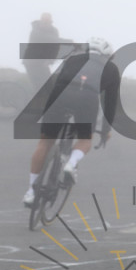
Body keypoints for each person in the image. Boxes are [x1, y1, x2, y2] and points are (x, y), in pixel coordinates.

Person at [23, 38, 119, 207]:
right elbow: (110, 103)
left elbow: (55, 82)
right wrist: (105, 130)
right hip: (87, 99)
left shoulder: (73, 59)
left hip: (60, 95)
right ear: (106, 54)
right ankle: (71, 163)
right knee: (85, 139)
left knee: (45, 142)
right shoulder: (111, 68)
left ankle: (30, 192)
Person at [24, 13, 62, 90]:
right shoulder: (35, 31)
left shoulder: (54, 31)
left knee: (49, 86)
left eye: (47, 21)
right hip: (31, 62)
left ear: (50, 21)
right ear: (41, 20)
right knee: (39, 86)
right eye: (44, 20)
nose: (45, 22)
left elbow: (55, 47)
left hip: (43, 62)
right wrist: (69, 41)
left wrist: (50, 60)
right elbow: (47, 38)